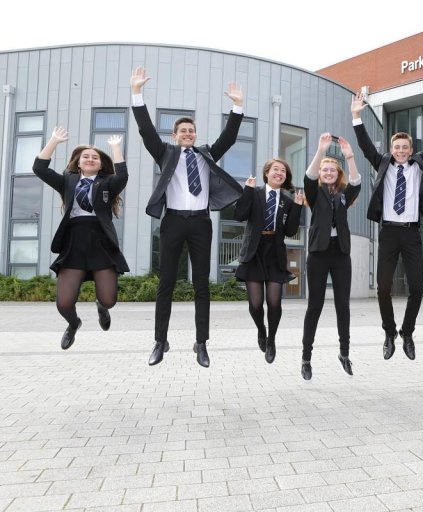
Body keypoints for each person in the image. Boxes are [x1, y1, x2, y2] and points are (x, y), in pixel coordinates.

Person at [130, 66, 245, 368]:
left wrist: (237, 106)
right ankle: (159, 341)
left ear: (195, 135)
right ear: (175, 135)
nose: (188, 134)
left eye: (191, 131)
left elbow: (230, 138)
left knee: (201, 285)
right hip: (172, 221)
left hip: (200, 223)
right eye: (183, 131)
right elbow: (145, 131)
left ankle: (201, 343)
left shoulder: (207, 153)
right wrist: (137, 94)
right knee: (166, 283)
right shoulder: (165, 153)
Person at [351, 91, 423, 360]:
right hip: (388, 232)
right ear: (391, 149)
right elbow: (365, 147)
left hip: (411, 233)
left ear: (411, 150)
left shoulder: (421, 165)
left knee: (417, 287)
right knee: (383, 288)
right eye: (396, 147)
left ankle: (407, 333)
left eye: (405, 148)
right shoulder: (382, 162)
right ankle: (389, 333)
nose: (400, 151)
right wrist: (356, 118)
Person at [33, 127, 128, 350]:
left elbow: (122, 176)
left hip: (101, 242)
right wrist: (54, 141)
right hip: (74, 241)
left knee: (108, 300)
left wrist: (115, 149)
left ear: (101, 164)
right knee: (64, 303)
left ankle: (101, 308)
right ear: (78, 162)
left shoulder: (107, 183)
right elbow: (39, 168)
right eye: (85, 156)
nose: (90, 159)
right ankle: (74, 324)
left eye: (95, 157)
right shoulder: (68, 181)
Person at [300, 134, 362, 381]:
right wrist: (320, 151)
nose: (327, 173)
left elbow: (357, 182)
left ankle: (344, 354)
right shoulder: (314, 194)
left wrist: (349, 157)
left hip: (340, 254)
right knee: (314, 306)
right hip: (318, 254)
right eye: (324, 170)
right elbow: (309, 176)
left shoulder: (344, 194)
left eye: (332, 170)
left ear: (337, 174)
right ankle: (306, 359)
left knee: (342, 306)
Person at [234, 159, 303, 364]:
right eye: (276, 169)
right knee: (256, 305)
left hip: (275, 252)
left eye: (283, 171)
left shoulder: (288, 201)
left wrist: (298, 206)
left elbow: (290, 231)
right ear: (267, 173)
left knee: (274, 302)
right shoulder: (254, 193)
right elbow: (239, 215)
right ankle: (261, 330)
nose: (279, 173)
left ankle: (271, 340)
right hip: (254, 251)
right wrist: (247, 189)